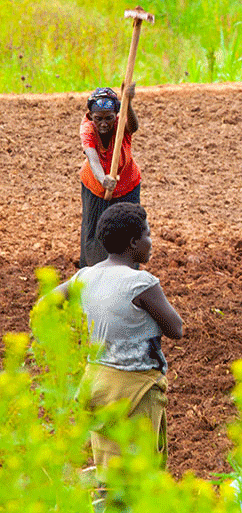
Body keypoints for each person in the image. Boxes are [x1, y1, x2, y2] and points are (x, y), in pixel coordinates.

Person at [54, 202, 182, 483]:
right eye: (148, 235)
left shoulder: (85, 276)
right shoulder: (142, 283)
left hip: (98, 384)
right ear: (134, 242)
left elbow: (46, 304)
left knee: (109, 469)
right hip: (137, 388)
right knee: (141, 475)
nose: (151, 242)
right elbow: (176, 329)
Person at [79, 84, 142, 268]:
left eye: (109, 118)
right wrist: (103, 179)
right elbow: (92, 158)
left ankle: (128, 272)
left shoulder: (122, 124)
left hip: (127, 185)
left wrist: (128, 103)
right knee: (95, 231)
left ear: (116, 115)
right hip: (96, 188)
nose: (104, 123)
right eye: (98, 119)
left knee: (129, 230)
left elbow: (134, 127)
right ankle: (93, 272)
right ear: (91, 116)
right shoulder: (87, 129)